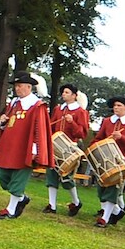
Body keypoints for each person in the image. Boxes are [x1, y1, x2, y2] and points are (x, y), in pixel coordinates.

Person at [0, 73, 53, 219]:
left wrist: (34, 149)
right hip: (9, 146)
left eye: (20, 86)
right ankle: (21, 199)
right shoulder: (13, 103)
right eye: (16, 86)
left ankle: (11, 209)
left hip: (24, 148)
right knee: (3, 176)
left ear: (29, 87)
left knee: (18, 178)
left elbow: (39, 130)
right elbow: (8, 123)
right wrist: (2, 123)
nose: (17, 89)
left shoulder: (37, 106)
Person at [90, 96, 125, 228]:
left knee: (113, 189)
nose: (116, 108)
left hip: (120, 161)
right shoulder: (107, 121)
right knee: (101, 189)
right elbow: (98, 138)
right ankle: (117, 212)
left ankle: (104, 219)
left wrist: (122, 138)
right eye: (115, 106)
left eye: (119, 105)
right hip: (104, 160)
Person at [44, 83, 89, 216]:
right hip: (55, 146)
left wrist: (72, 122)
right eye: (63, 92)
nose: (64, 94)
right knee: (51, 175)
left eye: (67, 92)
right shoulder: (58, 109)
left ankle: (76, 202)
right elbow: (51, 126)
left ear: (74, 96)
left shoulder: (81, 112)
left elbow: (82, 133)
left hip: (70, 148)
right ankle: (52, 205)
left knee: (67, 177)